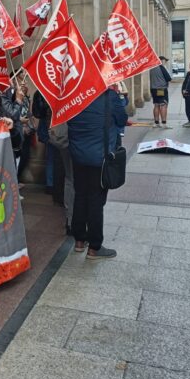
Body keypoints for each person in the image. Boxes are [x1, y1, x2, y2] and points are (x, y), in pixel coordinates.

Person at [67, 89, 127, 260]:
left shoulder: (73, 96)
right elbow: (122, 118)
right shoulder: (109, 96)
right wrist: (123, 97)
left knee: (80, 196)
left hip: (78, 155)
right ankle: (94, 247)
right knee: (96, 200)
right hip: (99, 158)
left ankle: (79, 240)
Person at [149, 56, 172, 128]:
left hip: (153, 89)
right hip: (161, 89)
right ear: (161, 60)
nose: (165, 62)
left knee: (156, 105)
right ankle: (164, 123)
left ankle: (156, 123)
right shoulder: (161, 67)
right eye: (165, 61)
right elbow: (168, 78)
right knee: (163, 105)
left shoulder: (151, 68)